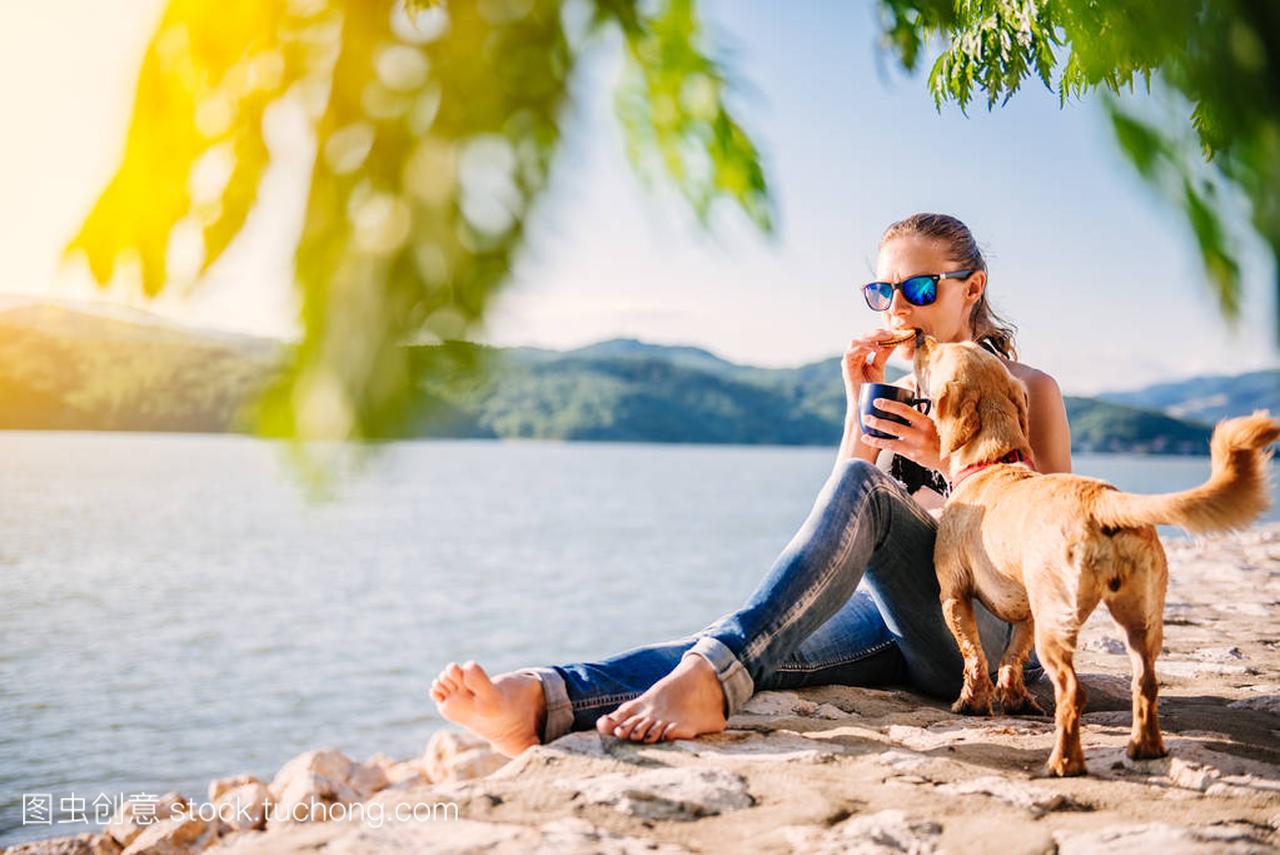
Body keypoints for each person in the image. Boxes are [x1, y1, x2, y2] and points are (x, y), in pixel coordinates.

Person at [429, 212, 1074, 757]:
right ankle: (543, 699)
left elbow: (1051, 546)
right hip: (890, 616)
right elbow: (846, 516)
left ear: (972, 288)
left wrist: (949, 459)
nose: (900, 308)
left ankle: (707, 684)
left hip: (982, 631)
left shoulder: (1029, 388)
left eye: (921, 288)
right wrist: (856, 408)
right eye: (884, 292)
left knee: (756, 629)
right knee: (747, 640)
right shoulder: (896, 395)